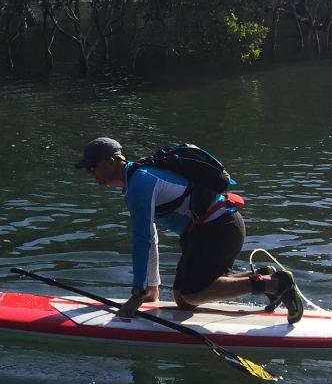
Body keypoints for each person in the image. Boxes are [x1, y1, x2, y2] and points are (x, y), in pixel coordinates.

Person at [74, 136, 305, 324]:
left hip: (220, 228)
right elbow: (150, 236)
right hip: (204, 231)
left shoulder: (140, 182)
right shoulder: (134, 182)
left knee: (192, 294)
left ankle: (277, 284)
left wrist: (136, 294)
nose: (91, 172)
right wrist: (150, 290)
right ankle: (261, 276)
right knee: (184, 300)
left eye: (93, 166)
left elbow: (141, 239)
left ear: (113, 160)